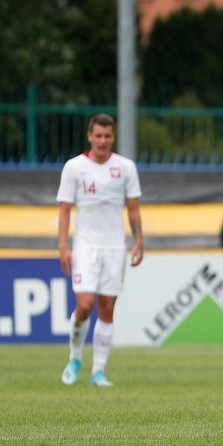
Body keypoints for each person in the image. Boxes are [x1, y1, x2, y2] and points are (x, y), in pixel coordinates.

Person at [57, 113, 144, 387]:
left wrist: (138, 241)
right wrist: (63, 247)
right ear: (89, 136)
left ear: (113, 137)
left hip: (115, 246)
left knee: (107, 308)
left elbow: (133, 209)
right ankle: (74, 357)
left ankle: (98, 371)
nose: (103, 141)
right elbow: (64, 210)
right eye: (98, 136)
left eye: (107, 136)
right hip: (85, 245)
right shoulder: (74, 167)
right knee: (85, 305)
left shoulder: (126, 167)